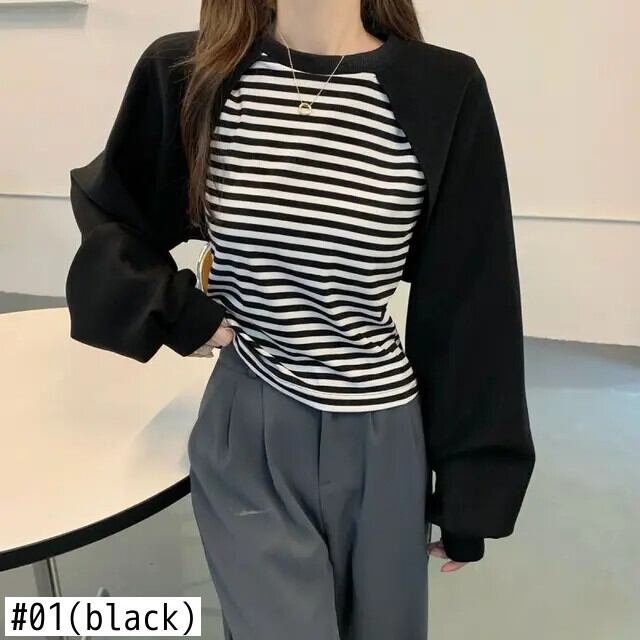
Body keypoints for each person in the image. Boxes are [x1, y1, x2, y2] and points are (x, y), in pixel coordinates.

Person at [65, 1, 536, 638]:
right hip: (250, 424)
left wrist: (471, 485)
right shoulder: (194, 72)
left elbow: (472, 294)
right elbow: (111, 211)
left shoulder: (442, 88)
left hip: (384, 434)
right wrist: (173, 310)